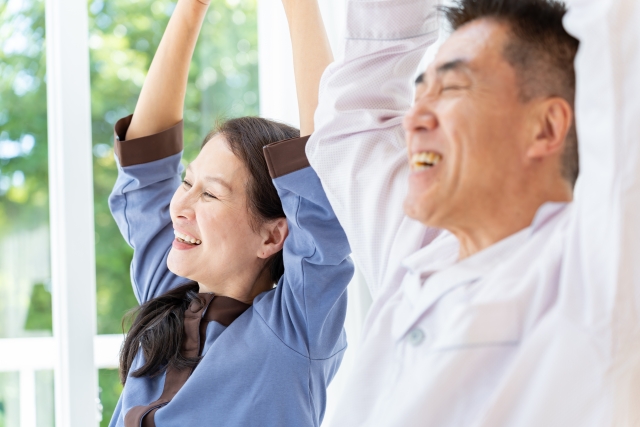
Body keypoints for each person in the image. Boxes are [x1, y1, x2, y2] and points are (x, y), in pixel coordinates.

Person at [305, 0, 640, 425]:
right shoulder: (418, 251)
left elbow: (617, 32)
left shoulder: (596, 265)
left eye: (450, 89)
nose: (413, 119)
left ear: (546, 127)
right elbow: (354, 123)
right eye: (419, 94)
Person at [106, 0, 353, 425]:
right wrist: (192, 7)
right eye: (187, 182)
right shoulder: (170, 290)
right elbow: (145, 164)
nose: (180, 207)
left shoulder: (294, 330)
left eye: (210, 195)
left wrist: (299, 6)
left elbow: (324, 172)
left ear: (272, 236)